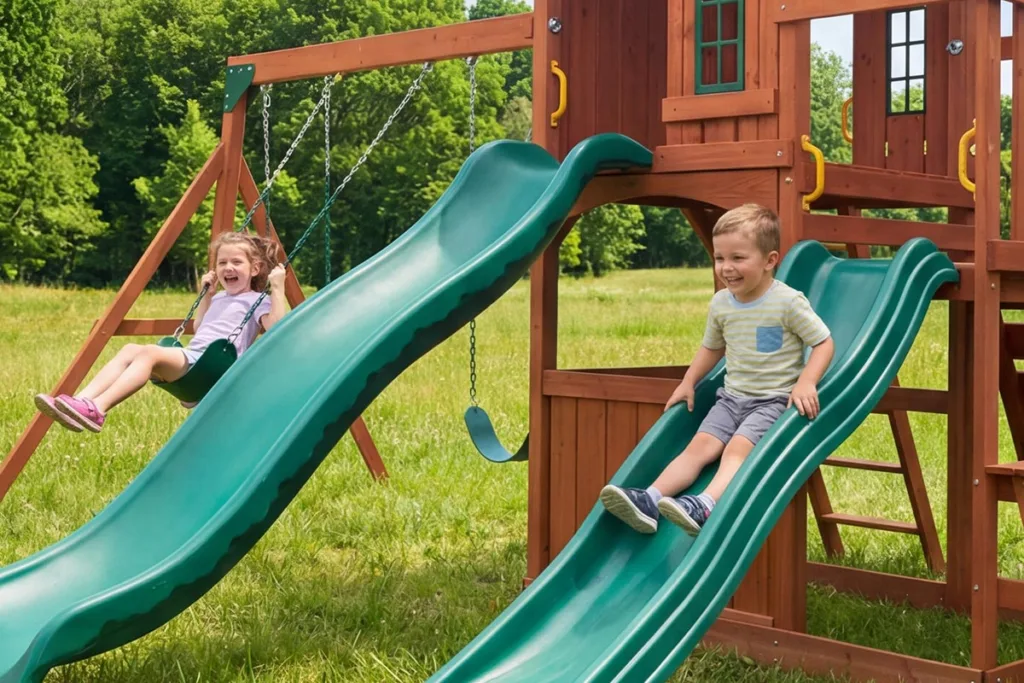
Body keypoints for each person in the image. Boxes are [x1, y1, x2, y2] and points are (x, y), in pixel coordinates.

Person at [599, 204, 835, 537]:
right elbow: (712, 347)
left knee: (737, 449)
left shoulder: (787, 302)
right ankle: (650, 499)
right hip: (731, 399)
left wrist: (806, 382)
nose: (727, 267)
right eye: (719, 258)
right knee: (698, 447)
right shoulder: (722, 303)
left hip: (772, 402)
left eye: (738, 258)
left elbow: (824, 343)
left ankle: (706, 504)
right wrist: (688, 381)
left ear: (770, 261)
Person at [34, 232, 289, 433]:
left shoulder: (258, 300)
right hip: (195, 359)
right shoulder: (220, 297)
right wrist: (207, 296)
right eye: (222, 262)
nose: (227, 268)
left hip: (211, 368)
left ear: (255, 268)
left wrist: (277, 288)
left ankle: (98, 409)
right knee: (130, 349)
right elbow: (200, 328)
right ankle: (80, 402)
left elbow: (276, 328)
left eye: (236, 262)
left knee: (149, 353)